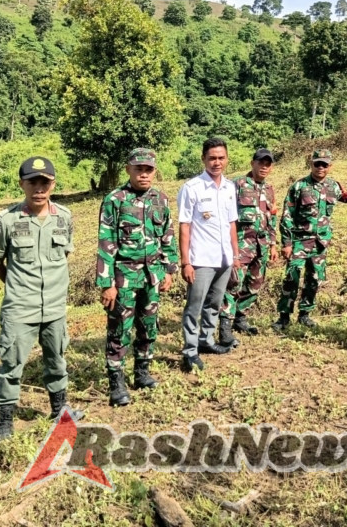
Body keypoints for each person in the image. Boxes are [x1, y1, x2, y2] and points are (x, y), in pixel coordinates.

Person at [0, 157, 82, 442]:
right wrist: (17, 286)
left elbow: (64, 255)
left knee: (56, 359)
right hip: (20, 307)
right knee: (11, 364)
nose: (39, 188)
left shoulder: (64, 217)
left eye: (45, 182)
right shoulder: (6, 220)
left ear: (52, 183)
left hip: (54, 306)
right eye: (32, 182)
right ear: (22, 184)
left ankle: (59, 410)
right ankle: (5, 422)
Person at [97, 148, 178, 405]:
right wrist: (106, 283)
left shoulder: (161, 199)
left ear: (154, 171)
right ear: (128, 170)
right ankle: (117, 382)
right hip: (124, 277)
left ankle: (142, 372)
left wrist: (168, 269)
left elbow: (167, 236)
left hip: (152, 275)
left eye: (148, 169)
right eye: (138, 169)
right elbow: (106, 242)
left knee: (148, 326)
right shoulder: (115, 199)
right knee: (120, 329)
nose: (144, 174)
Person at [273, 149, 347, 331]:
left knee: (314, 279)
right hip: (299, 241)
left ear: (330, 166)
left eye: (325, 164)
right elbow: (287, 216)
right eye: (317, 164)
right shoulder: (299, 187)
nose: (320, 167)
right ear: (311, 164)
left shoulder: (333, 186)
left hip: (320, 243)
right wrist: (287, 244)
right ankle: (283, 317)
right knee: (292, 278)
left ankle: (305, 315)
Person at [177, 137, 240, 372]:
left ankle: (206, 340)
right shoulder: (191, 188)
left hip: (224, 258)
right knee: (195, 306)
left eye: (221, 158)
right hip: (201, 258)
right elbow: (185, 226)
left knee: (214, 303)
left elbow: (232, 223)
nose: (217, 162)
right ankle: (190, 352)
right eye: (212, 158)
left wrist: (235, 256)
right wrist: (186, 262)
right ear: (203, 159)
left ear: (227, 159)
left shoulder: (230, 187)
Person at [219, 148, 279, 338]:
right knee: (233, 284)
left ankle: (240, 318)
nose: (264, 166)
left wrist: (273, 244)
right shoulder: (236, 184)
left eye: (268, 164)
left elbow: (272, 217)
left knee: (254, 284)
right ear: (252, 163)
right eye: (260, 162)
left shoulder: (269, 189)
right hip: (240, 245)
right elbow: (225, 215)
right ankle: (225, 326)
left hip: (261, 246)